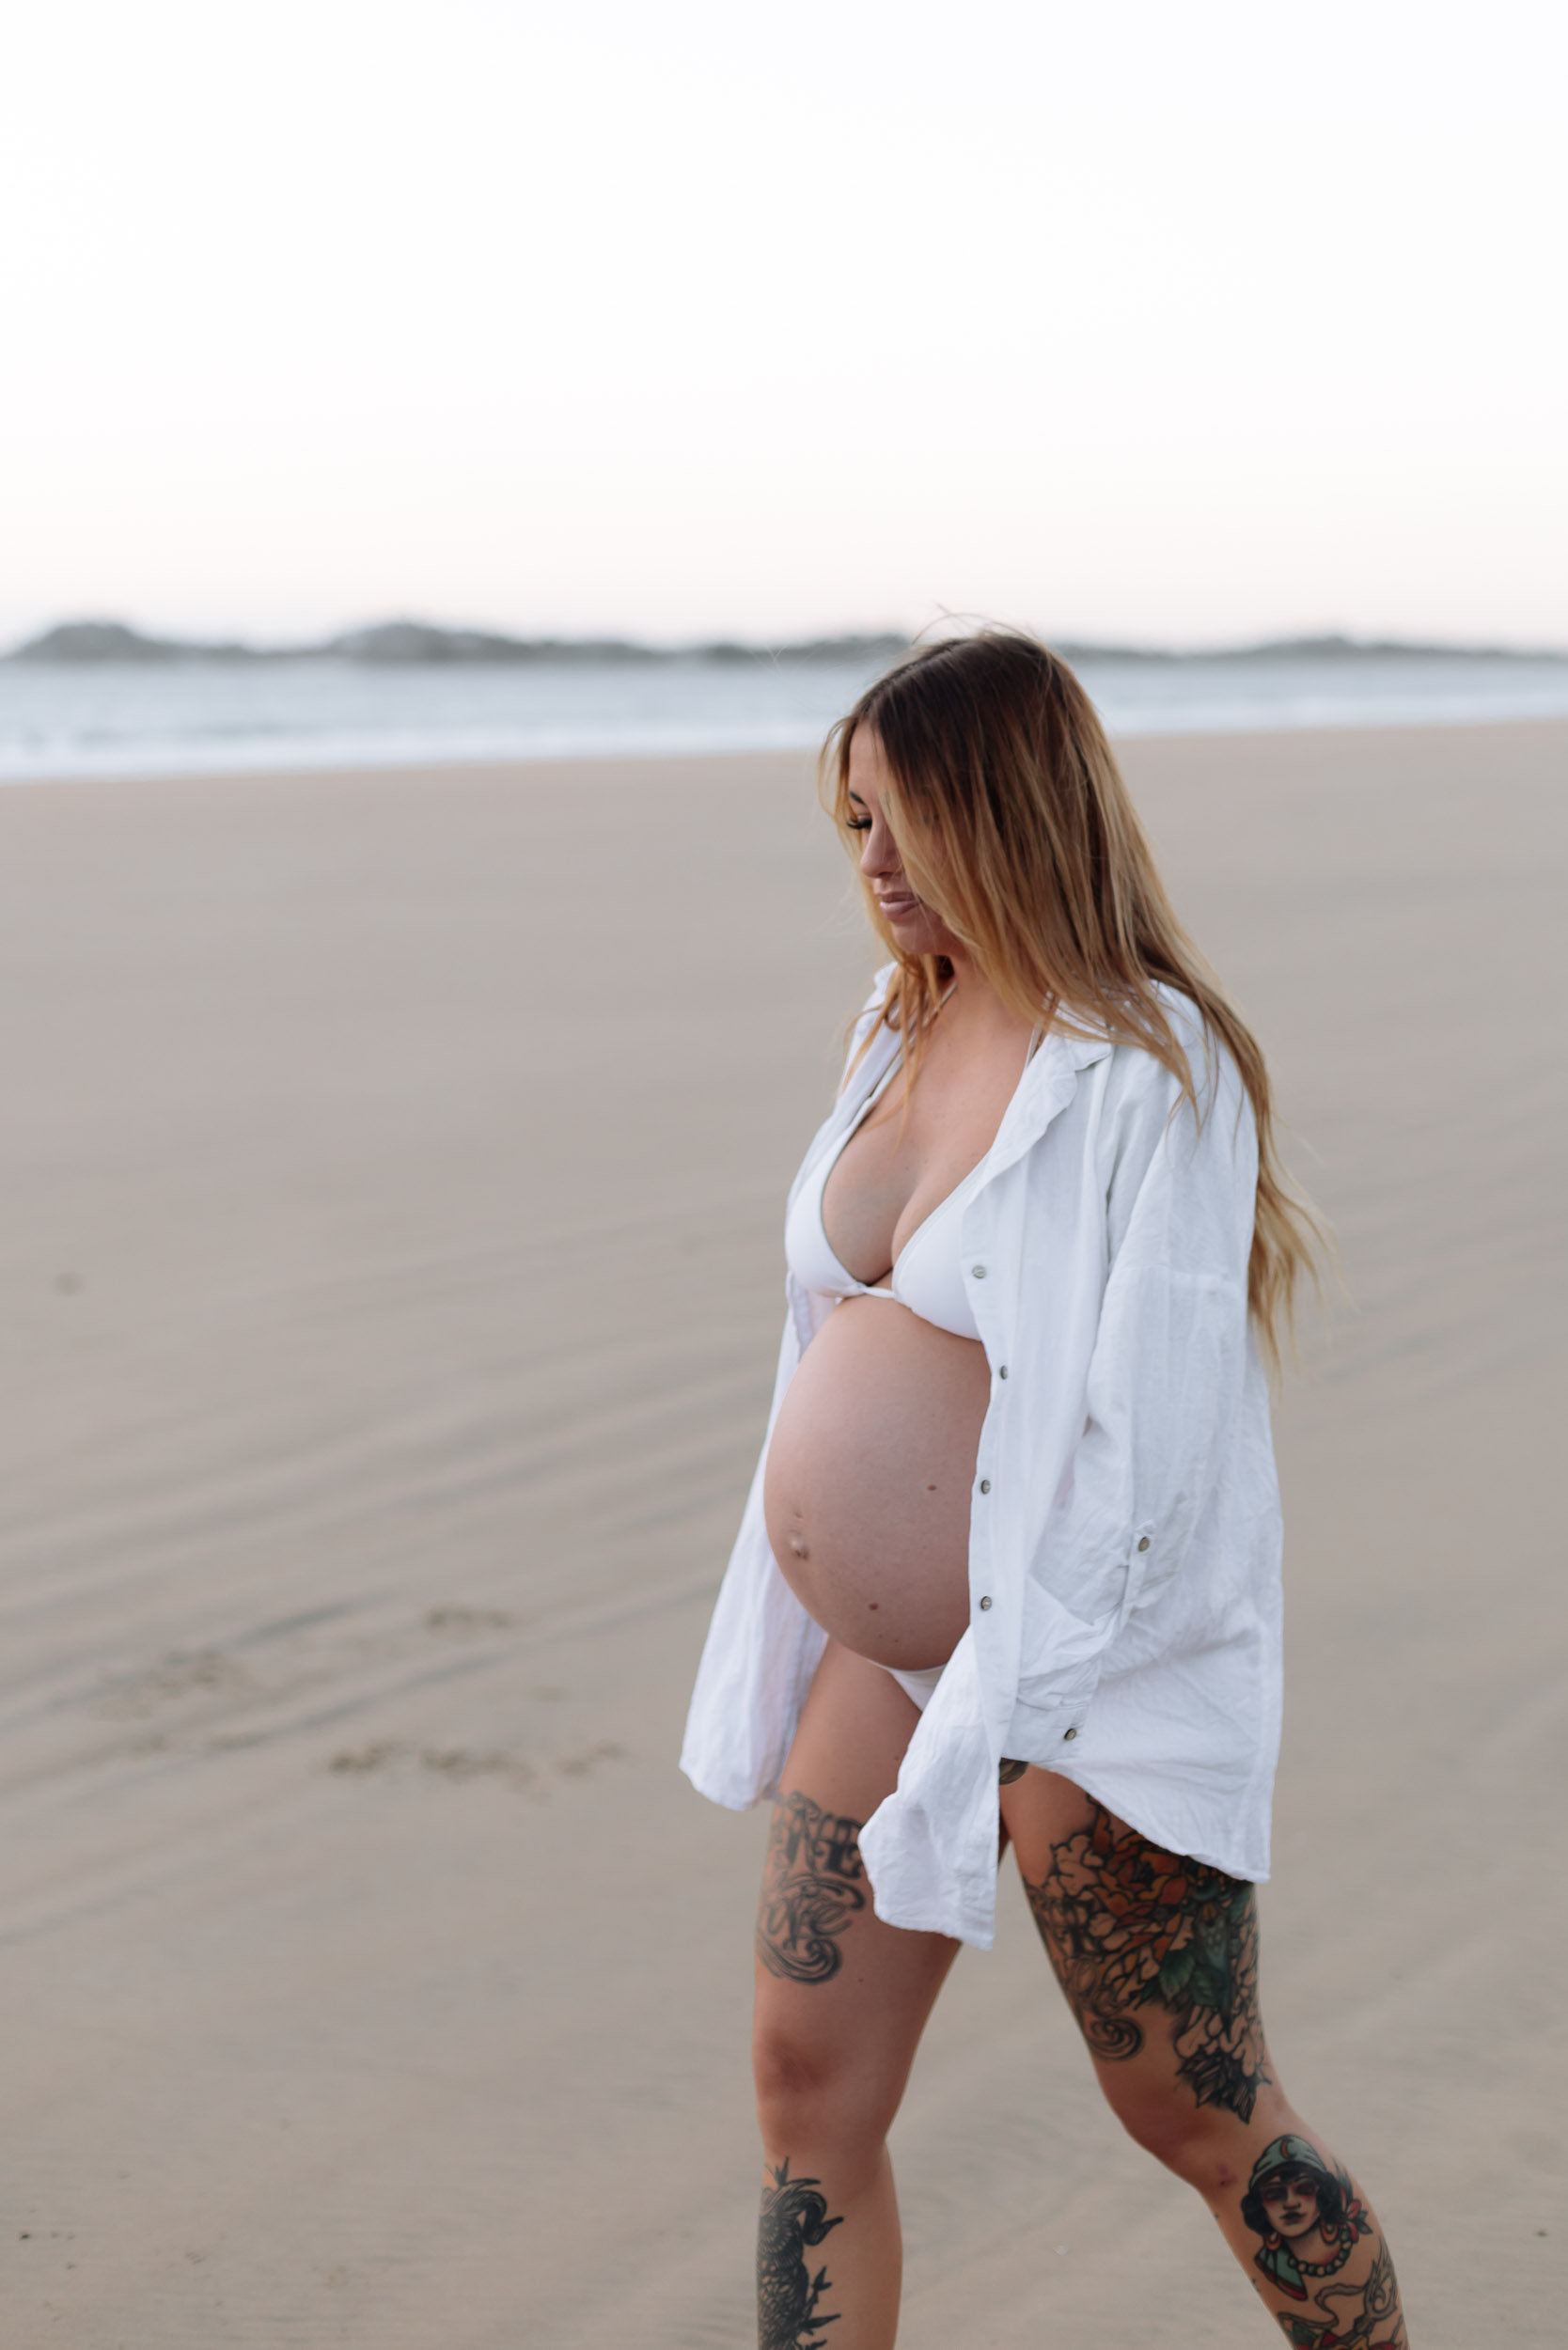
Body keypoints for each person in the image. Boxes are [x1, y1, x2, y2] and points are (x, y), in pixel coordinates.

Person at [681, 631, 1409, 2349]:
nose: (870, 862)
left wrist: (1016, 1715)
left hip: (1082, 1671)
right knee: (807, 2091)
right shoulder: (893, 1025)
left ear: (1010, 811)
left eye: (905, 818)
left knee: (1197, 2111)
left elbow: (1150, 1448)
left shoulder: (1154, 1067)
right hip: (888, 1664)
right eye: (850, 820)